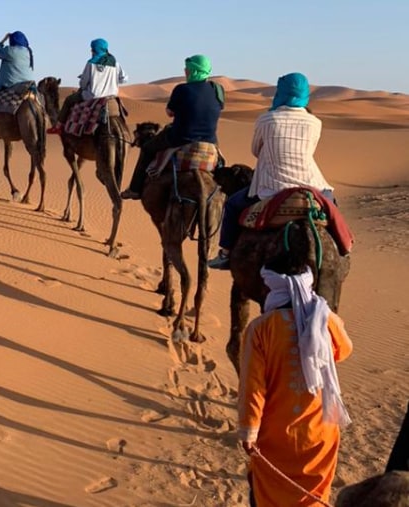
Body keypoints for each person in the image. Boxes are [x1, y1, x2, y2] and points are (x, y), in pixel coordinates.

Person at [239, 251, 353, 506]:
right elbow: (344, 350)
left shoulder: (259, 328)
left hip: (275, 436)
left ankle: (226, 251)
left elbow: (253, 386)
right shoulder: (325, 318)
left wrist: (249, 430)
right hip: (319, 434)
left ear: (270, 283)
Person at [209, 72, 333, 269]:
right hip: (312, 184)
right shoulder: (315, 122)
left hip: (271, 185)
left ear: (281, 92)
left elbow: (256, 150)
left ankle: (226, 253)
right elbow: (310, 151)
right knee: (331, 209)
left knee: (232, 205)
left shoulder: (267, 119)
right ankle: (342, 247)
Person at [120, 54, 224, 200]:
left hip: (180, 137)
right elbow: (219, 107)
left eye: (187, 68)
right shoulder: (217, 90)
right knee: (221, 162)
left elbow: (170, 112)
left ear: (193, 70)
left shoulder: (182, 89)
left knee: (147, 148)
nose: (185, 71)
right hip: (210, 139)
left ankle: (135, 189)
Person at [46, 38, 127, 134]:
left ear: (95, 49)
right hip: (111, 96)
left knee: (68, 100)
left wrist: (87, 82)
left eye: (92, 49)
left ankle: (58, 126)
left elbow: (83, 84)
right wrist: (111, 79)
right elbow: (124, 79)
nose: (91, 51)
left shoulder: (91, 63)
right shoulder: (115, 63)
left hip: (93, 95)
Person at [0, 31, 35, 128]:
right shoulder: (28, 52)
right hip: (29, 84)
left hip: (11, 84)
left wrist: (4, 39)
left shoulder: (10, 51)